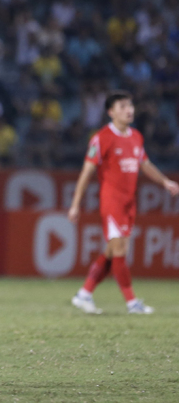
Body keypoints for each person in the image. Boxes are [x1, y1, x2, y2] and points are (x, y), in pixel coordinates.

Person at [69, 91, 179, 314]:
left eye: (130, 106)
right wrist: (75, 204)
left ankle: (84, 293)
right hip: (112, 201)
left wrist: (165, 182)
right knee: (120, 249)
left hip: (129, 202)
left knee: (112, 251)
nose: (129, 110)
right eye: (122, 106)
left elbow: (145, 164)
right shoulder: (101, 138)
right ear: (111, 112)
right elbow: (86, 172)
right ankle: (132, 302)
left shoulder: (136, 136)